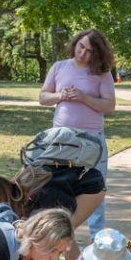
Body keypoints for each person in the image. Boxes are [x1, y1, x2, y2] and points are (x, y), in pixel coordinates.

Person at [38, 28, 116, 237]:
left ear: (97, 53)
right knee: (57, 185)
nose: (83, 53)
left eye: (89, 51)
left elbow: (109, 106)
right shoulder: (59, 67)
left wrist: (83, 97)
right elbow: (43, 97)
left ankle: (97, 238)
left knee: (96, 186)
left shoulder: (102, 73)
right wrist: (60, 96)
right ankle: (56, 232)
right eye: (81, 47)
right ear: (75, 44)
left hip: (91, 140)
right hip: (62, 139)